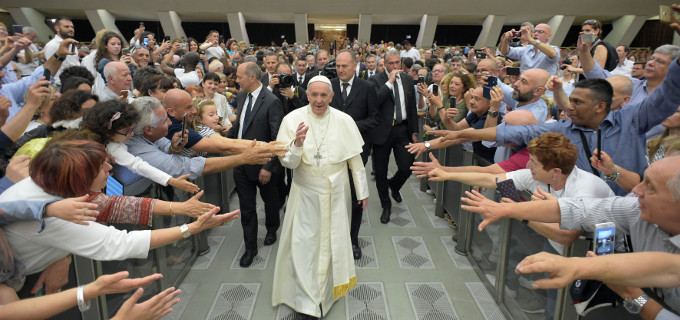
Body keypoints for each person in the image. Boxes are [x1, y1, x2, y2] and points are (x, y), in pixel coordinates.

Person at [460, 154, 680, 319]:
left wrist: (632, 294)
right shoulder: (634, 208)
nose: (636, 190)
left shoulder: (586, 186)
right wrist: (508, 210)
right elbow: (577, 210)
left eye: (650, 186)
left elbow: (565, 236)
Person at [272, 76, 368, 319]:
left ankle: (326, 294)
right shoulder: (292, 120)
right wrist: (297, 145)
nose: (318, 100)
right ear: (307, 95)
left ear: (331, 97)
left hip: (337, 193)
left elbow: (355, 162)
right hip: (305, 193)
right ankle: (307, 300)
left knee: (332, 243)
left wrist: (362, 192)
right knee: (304, 245)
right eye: (314, 95)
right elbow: (289, 163)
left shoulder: (344, 120)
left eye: (324, 95)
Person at [226, 62, 284, 268]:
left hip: (262, 163)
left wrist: (268, 166)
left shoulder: (272, 101)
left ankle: (271, 229)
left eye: (239, 76)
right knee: (247, 206)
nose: (235, 80)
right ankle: (250, 247)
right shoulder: (241, 96)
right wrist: (223, 140)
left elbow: (277, 138)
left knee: (270, 201)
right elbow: (239, 126)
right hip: (241, 162)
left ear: (252, 77)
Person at [329, 50, 380, 259]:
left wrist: (348, 126)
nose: (341, 70)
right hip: (330, 151)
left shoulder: (367, 88)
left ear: (354, 65)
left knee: (355, 196)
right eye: (338, 66)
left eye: (345, 66)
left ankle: (352, 239)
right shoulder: (328, 85)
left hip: (356, 151)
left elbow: (375, 118)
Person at [370, 49, 418, 224]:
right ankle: (386, 205)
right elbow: (374, 102)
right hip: (382, 131)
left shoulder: (406, 79)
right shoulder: (375, 80)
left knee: (407, 167)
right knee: (381, 172)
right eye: (391, 63)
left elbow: (411, 107)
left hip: (402, 130)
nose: (395, 66)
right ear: (384, 63)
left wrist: (414, 131)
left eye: (397, 62)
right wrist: (389, 82)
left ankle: (395, 185)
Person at [43, 17, 80, 85]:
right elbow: (51, 68)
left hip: (75, 82)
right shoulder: (51, 45)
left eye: (72, 27)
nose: (70, 29)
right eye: (66, 27)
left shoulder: (72, 44)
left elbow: (75, 63)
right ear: (57, 28)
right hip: (61, 84)